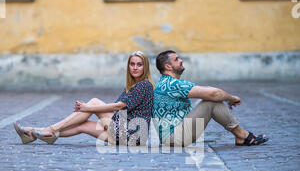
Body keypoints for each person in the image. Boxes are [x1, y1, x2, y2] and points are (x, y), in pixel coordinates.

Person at [14, 51, 155, 146]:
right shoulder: (132, 86)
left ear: (145, 67)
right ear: (128, 66)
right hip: (126, 136)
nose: (135, 67)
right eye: (132, 64)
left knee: (94, 101)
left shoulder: (144, 85)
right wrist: (90, 110)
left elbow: (118, 106)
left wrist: (89, 108)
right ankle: (32, 132)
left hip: (131, 134)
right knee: (82, 125)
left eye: (139, 64)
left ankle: (51, 129)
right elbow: (118, 110)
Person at [152, 50, 268, 147]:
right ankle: (243, 136)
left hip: (172, 136)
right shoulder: (172, 84)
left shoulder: (166, 82)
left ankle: (241, 136)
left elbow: (206, 90)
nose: (181, 60)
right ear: (168, 66)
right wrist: (231, 98)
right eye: (176, 59)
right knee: (211, 102)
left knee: (211, 99)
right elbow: (214, 93)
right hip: (174, 138)